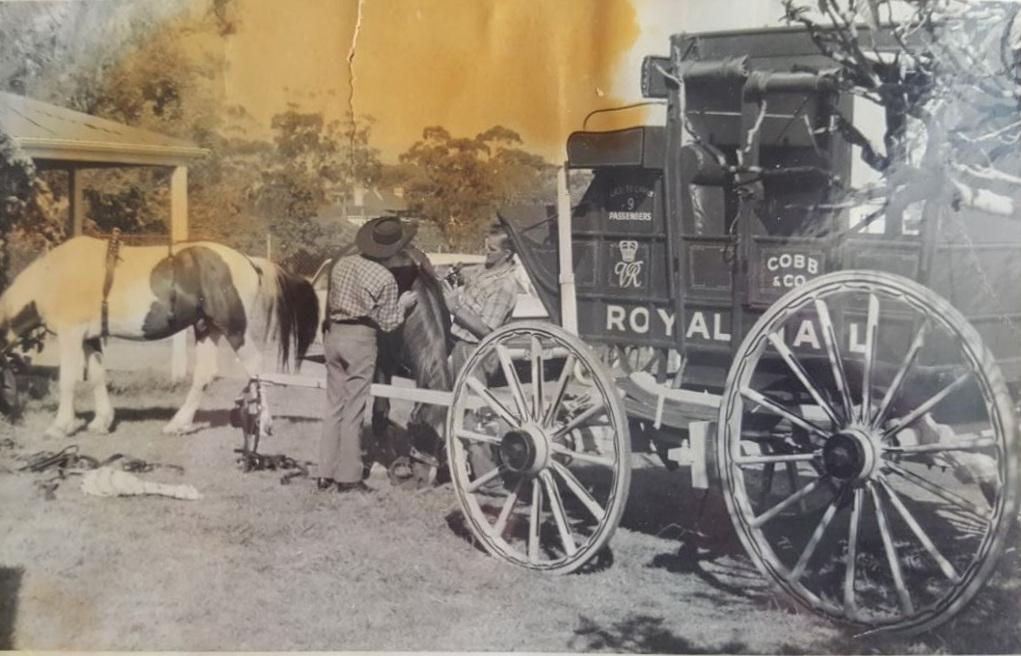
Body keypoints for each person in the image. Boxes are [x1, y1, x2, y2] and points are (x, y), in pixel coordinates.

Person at [318, 216, 418, 494]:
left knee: (334, 407)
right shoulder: (385, 278)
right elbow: (388, 323)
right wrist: (403, 304)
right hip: (360, 339)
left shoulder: (341, 266)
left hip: (334, 335)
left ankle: (324, 472)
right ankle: (349, 477)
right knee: (354, 410)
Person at [442, 223, 520, 377]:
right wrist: (453, 275)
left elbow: (487, 331)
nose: (486, 251)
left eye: (492, 250)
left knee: (472, 399)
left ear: (507, 253)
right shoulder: (484, 268)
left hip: (476, 351)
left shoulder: (504, 286)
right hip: (460, 344)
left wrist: (455, 308)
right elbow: (463, 277)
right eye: (486, 246)